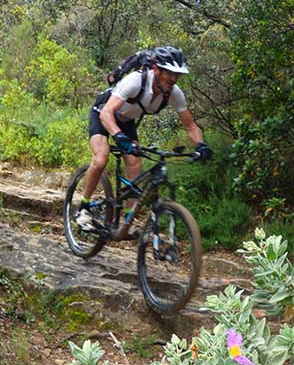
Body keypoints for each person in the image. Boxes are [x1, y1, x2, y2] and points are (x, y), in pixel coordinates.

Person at [75, 46, 212, 232]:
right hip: (103, 113)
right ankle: (83, 208)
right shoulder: (135, 81)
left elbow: (190, 125)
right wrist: (118, 137)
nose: (173, 79)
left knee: (135, 165)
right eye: (169, 74)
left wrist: (201, 145)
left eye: (177, 75)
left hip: (126, 121)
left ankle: (127, 222)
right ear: (157, 70)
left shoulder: (174, 93)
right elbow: (107, 113)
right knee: (101, 158)